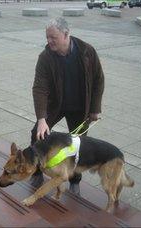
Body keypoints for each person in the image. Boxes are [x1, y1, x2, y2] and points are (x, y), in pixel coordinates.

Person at [30, 17, 105, 192]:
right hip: (56, 105)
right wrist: (42, 118)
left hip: (80, 106)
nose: (49, 41)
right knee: (37, 133)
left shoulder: (87, 52)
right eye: (47, 37)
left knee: (79, 144)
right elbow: (39, 87)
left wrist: (94, 109)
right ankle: (37, 170)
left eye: (53, 37)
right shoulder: (46, 57)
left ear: (66, 34)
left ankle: (74, 180)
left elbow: (98, 80)